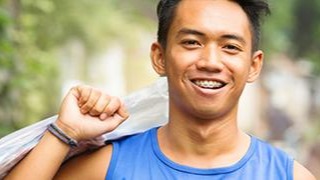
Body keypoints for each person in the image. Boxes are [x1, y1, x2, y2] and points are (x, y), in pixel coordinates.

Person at [5, 0, 316, 179]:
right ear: (159, 56)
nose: (210, 61)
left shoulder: (288, 175)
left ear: (253, 65)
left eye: (230, 47)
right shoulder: (110, 166)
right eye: (192, 42)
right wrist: (64, 132)